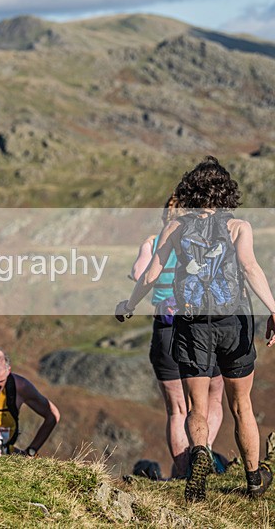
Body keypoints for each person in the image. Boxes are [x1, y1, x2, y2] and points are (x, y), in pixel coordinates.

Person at [117, 156, 274, 502]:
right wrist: (274, 309)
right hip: (233, 322)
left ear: (191, 190)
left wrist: (128, 306)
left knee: (196, 408)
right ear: (225, 192)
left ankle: (198, 453)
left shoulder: (175, 228)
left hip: (191, 326)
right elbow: (249, 268)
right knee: (241, 404)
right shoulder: (238, 227)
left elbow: (152, 275)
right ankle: (253, 478)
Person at [130, 194, 224, 479]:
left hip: (167, 326)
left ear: (163, 216)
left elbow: (137, 274)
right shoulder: (200, 240)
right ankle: (202, 454)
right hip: (202, 328)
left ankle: (185, 473)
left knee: (177, 409)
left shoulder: (154, 242)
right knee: (213, 399)